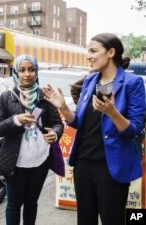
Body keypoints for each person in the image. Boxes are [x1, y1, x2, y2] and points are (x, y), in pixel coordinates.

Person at [42, 33, 146, 225]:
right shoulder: (90, 81)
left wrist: (113, 113)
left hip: (111, 167)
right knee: (85, 220)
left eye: (93, 51)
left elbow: (135, 129)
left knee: (112, 220)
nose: (88, 56)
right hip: (83, 164)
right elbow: (79, 122)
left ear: (111, 52)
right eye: (87, 51)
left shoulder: (133, 84)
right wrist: (63, 108)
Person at [0, 54, 63, 225]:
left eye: (31, 70)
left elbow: (57, 123)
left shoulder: (44, 96)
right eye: (22, 70)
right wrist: (16, 120)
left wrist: (55, 133)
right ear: (16, 72)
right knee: (14, 204)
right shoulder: (6, 97)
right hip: (14, 161)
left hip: (40, 160)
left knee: (31, 203)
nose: (27, 74)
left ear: (36, 72)